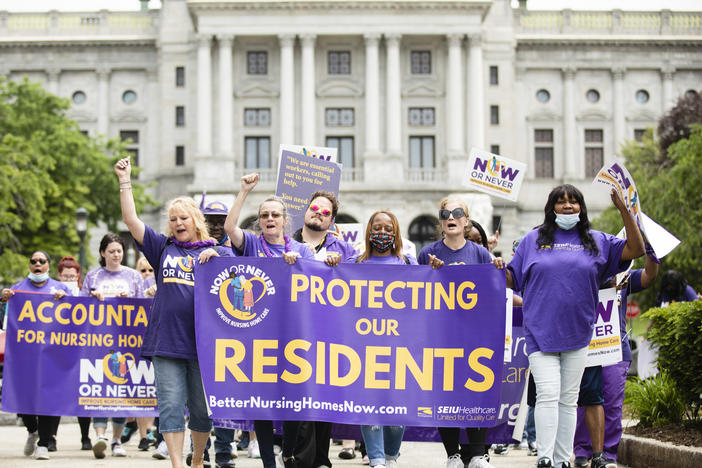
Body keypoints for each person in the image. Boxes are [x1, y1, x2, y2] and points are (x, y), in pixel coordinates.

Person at [505, 185, 644, 468]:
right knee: (547, 393)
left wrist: (624, 211)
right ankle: (544, 458)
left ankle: (561, 460)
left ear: (581, 207)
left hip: (579, 333)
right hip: (539, 333)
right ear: (551, 208)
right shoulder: (533, 240)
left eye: (573, 201)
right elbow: (511, 277)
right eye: (561, 202)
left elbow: (636, 249)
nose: (567, 206)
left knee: (569, 399)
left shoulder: (597, 241)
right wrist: (496, 266)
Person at [114, 156, 222, 468]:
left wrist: (219, 255)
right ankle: (177, 464)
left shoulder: (215, 252)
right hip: (166, 342)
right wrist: (125, 181)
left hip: (203, 346)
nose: (177, 223)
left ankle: (198, 458)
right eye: (173, 218)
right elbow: (131, 221)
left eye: (183, 218)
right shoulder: (162, 248)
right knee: (171, 406)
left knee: (201, 411)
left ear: (196, 220)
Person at [224, 173, 314, 468]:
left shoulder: (301, 250)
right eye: (265, 215)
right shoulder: (250, 244)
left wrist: (305, 264)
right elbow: (228, 227)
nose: (270, 219)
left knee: (290, 400)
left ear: (286, 221)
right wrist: (243, 191)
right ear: (260, 221)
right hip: (258, 337)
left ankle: (287, 450)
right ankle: (268, 462)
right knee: (260, 402)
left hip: (293, 336)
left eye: (275, 214)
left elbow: (317, 285)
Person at [417, 198, 497, 468]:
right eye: (445, 213)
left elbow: (490, 294)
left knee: (476, 389)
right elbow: (414, 293)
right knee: (446, 394)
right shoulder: (426, 253)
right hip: (440, 335)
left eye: (457, 213)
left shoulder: (480, 253)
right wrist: (431, 274)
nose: (451, 216)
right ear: (441, 222)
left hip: (474, 335)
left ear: (466, 221)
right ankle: (453, 453)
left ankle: (476, 453)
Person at [573, 246, 660, 468]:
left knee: (612, 403)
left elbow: (649, 276)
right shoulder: (579, 274)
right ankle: (582, 450)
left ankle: (609, 453)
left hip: (615, 350)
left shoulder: (623, 277)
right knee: (585, 401)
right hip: (584, 348)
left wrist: (651, 253)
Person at [291, 191, 357, 468]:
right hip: (293, 332)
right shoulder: (287, 243)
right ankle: (303, 459)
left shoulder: (344, 250)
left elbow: (358, 284)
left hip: (331, 334)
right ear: (305, 211)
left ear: (331, 220)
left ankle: (319, 458)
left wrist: (339, 269)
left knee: (324, 397)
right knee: (300, 398)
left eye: (325, 211)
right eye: (314, 207)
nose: (318, 212)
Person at [351, 210, 416, 468]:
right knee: (370, 409)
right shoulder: (355, 263)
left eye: (389, 229)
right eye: (377, 228)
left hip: (399, 349)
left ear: (396, 233)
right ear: (368, 231)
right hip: (364, 349)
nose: (382, 233)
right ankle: (376, 459)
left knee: (397, 413)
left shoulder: (409, 264)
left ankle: (391, 456)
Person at [80, 233, 145, 458]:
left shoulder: (134, 276)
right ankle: (100, 436)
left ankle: (117, 440)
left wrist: (131, 300)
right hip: (99, 342)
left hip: (126, 342)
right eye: (111, 251)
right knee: (99, 387)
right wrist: (92, 298)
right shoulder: (93, 276)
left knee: (120, 390)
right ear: (102, 253)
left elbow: (144, 306)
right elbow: (79, 309)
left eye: (119, 251)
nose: (116, 255)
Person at [1, 251, 70, 460]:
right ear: (29, 265)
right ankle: (32, 430)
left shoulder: (61, 289)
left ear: (49, 265)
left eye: (42, 261)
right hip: (24, 357)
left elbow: (76, 315)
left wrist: (66, 300)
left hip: (52, 355)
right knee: (24, 398)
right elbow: (6, 321)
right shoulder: (17, 290)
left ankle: (43, 443)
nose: (37, 264)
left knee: (48, 397)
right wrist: (2, 299)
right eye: (34, 261)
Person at [55, 256, 95, 451]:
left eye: (72, 276)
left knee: (82, 393)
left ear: (78, 276)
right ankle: (51, 436)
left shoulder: (83, 294)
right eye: (65, 276)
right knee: (55, 393)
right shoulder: (53, 293)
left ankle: (85, 436)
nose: (69, 279)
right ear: (59, 276)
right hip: (58, 349)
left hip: (80, 349)